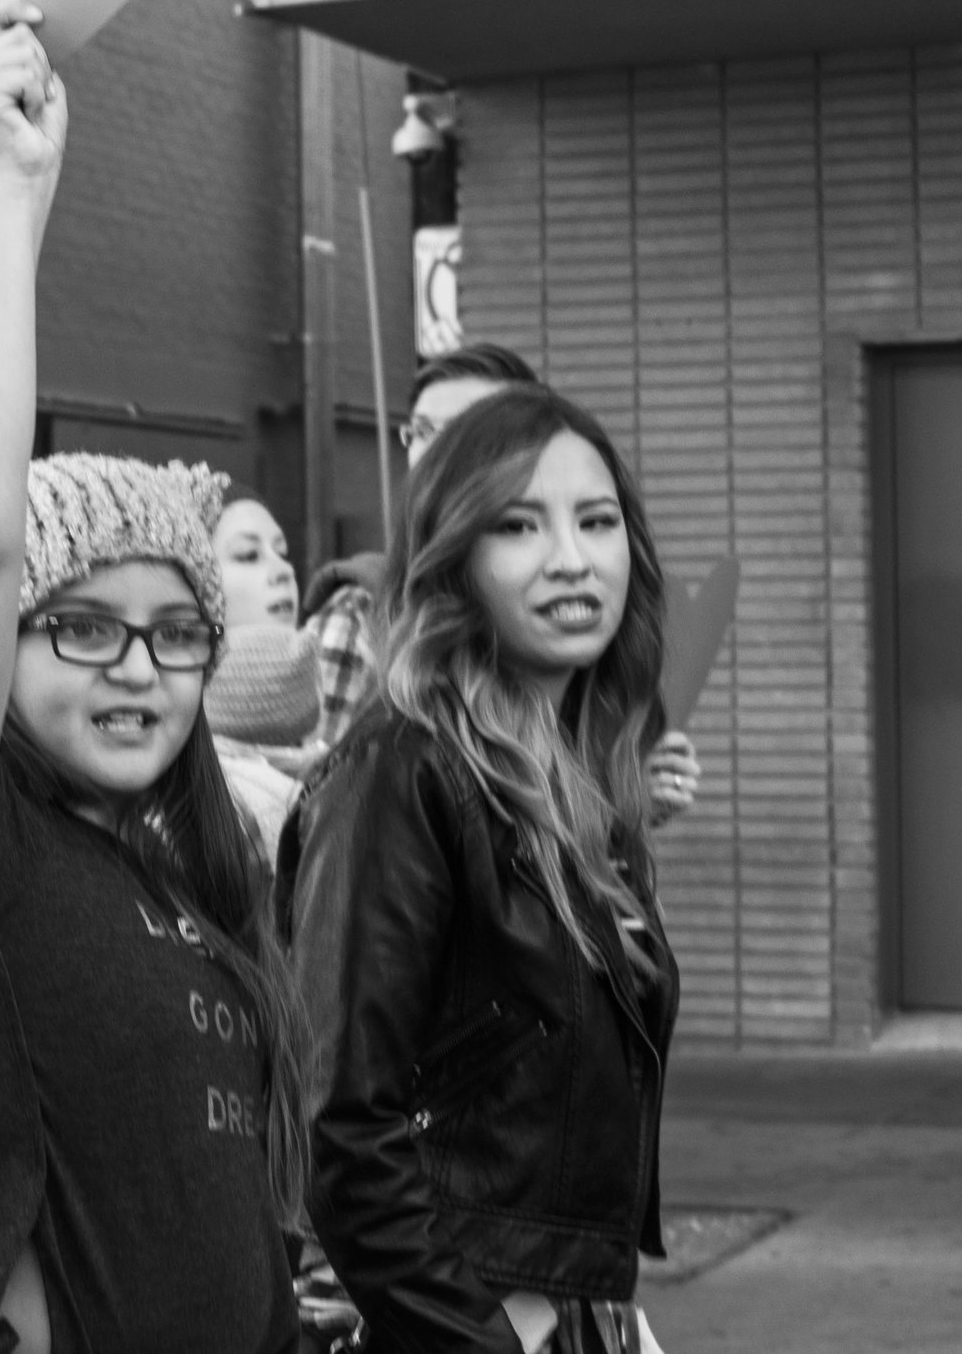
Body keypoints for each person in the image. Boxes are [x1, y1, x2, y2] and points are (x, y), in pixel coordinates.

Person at [0, 9, 306, 1352]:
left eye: (176, 632)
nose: (139, 668)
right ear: (2, 649)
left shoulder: (183, 875)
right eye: (84, 629)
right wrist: (12, 193)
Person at [286, 386, 679, 1354]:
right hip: (442, 1317)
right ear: (452, 559)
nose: (571, 559)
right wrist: (479, 1339)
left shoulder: (581, 776)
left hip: (574, 1304)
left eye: (596, 520)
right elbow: (340, 1123)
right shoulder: (399, 773)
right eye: (517, 524)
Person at [303, 343, 700, 822]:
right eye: (425, 432)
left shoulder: (585, 679)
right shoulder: (396, 753)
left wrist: (622, 807)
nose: (571, 563)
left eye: (596, 521)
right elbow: (322, 796)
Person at [207, 489, 324, 860]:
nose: (283, 571)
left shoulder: (335, 763)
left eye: (282, 552)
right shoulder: (198, 794)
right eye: (248, 555)